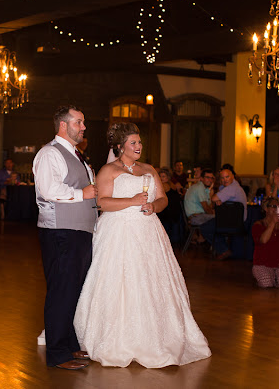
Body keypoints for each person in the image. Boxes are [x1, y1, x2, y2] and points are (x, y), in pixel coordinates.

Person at [74, 122, 211, 368]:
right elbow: (102, 203)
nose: (139, 146)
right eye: (133, 143)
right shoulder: (108, 170)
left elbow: (163, 199)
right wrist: (132, 200)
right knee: (120, 279)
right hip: (118, 231)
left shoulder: (148, 169)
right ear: (120, 146)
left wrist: (152, 206)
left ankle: (158, 336)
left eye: (139, 142)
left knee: (151, 279)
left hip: (148, 229)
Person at [32, 105, 98, 371]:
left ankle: (69, 344)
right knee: (61, 291)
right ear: (63, 125)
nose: (83, 127)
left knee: (72, 290)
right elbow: (49, 190)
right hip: (61, 232)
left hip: (78, 231)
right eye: (79, 122)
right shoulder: (49, 153)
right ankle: (57, 353)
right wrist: (84, 194)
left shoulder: (77, 154)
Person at [251, 197, 279, 288]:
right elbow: (263, 240)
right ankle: (268, 278)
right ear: (266, 208)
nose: (276, 209)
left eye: (278, 207)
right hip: (262, 264)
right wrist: (273, 223)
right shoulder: (258, 225)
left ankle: (276, 277)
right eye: (273, 206)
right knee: (266, 283)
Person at [209, 168, 248, 260]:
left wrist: (215, 197)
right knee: (211, 224)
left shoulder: (232, 188)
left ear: (232, 177)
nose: (225, 180)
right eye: (222, 178)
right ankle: (225, 248)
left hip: (234, 222)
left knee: (206, 227)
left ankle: (224, 250)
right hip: (235, 220)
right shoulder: (230, 187)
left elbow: (213, 199)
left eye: (227, 177)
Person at [183, 169, 216, 244]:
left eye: (212, 178)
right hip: (195, 218)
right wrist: (214, 213)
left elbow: (209, 206)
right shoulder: (199, 188)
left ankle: (202, 238)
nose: (210, 180)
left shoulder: (204, 189)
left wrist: (210, 194)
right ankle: (218, 247)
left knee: (218, 218)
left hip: (197, 216)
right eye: (207, 177)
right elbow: (206, 208)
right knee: (220, 219)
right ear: (201, 178)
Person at [157, 168, 184, 245]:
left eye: (163, 176)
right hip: (175, 212)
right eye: (160, 176)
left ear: (168, 177)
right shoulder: (172, 184)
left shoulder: (164, 185)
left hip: (169, 212)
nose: (161, 178)